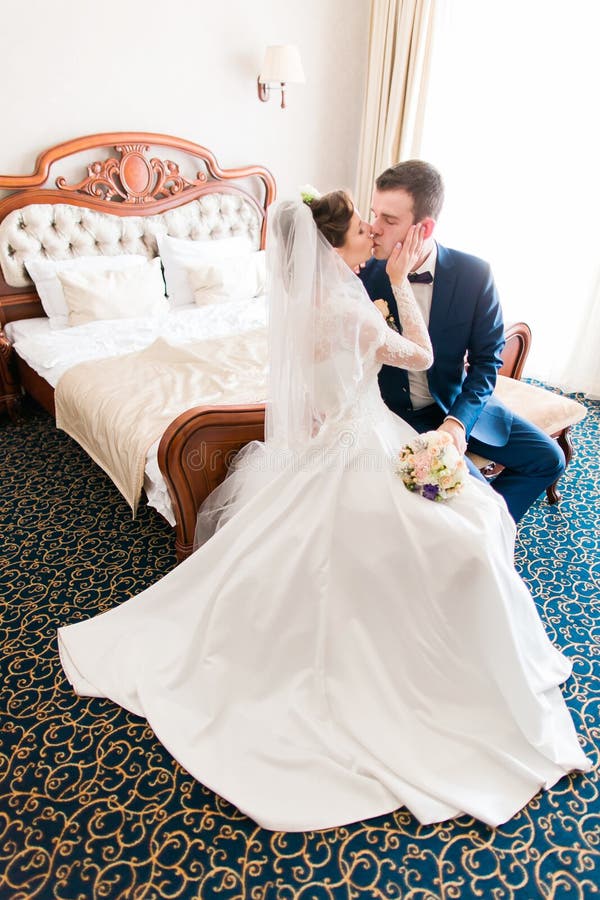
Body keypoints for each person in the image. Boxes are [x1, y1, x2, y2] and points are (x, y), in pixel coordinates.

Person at [57, 193, 590, 833]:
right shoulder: (355, 303)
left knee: (435, 524)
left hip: (339, 442)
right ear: (336, 245)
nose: (373, 232)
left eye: (379, 223)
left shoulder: (307, 301)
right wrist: (397, 288)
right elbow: (417, 357)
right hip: (366, 443)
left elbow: (313, 395)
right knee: (458, 529)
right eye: (365, 228)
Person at [359, 160, 565, 523]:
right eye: (375, 214)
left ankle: (488, 536)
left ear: (424, 229)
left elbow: (487, 362)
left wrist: (457, 422)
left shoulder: (475, 274)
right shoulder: (363, 276)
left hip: (458, 404)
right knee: (475, 499)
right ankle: (478, 532)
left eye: (389, 221)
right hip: (399, 415)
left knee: (549, 459)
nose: (374, 229)